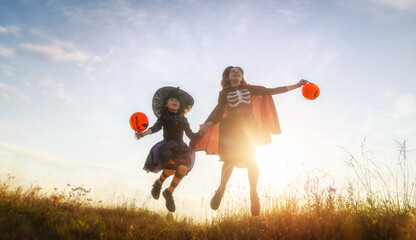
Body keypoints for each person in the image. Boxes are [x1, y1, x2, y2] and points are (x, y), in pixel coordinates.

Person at [195, 66, 308, 216]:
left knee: (251, 160)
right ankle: (221, 189)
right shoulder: (224, 93)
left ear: (242, 76)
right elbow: (218, 113)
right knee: (229, 161)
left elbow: (271, 90)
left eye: (239, 72)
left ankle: (253, 194)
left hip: (248, 128)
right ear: (228, 77)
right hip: (230, 128)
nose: (236, 73)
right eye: (232, 72)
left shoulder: (250, 89)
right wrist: (207, 125)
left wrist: (296, 85)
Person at [136, 87, 204, 212]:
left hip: (181, 147)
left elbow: (191, 135)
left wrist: (201, 132)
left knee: (182, 169)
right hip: (168, 147)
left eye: (177, 100)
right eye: (172, 99)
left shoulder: (183, 119)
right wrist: (143, 133)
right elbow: (155, 128)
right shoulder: (164, 117)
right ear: (166, 104)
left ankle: (169, 193)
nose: (175, 101)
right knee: (171, 168)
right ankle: (158, 183)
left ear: (180, 105)